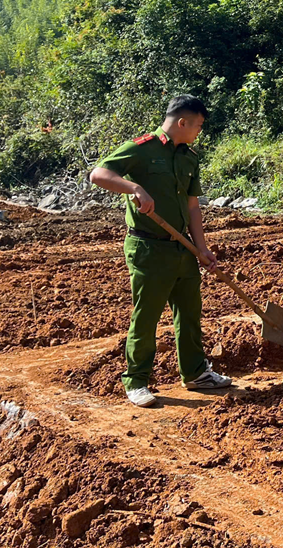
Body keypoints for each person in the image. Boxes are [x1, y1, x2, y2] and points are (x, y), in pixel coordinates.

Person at [89, 94, 231, 408]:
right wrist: (135, 188)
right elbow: (99, 174)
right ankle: (137, 380)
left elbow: (193, 207)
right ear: (183, 122)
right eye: (198, 126)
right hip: (148, 248)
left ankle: (195, 373)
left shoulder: (190, 157)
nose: (198, 132)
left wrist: (202, 250)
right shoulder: (143, 149)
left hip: (182, 247)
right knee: (147, 315)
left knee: (190, 312)